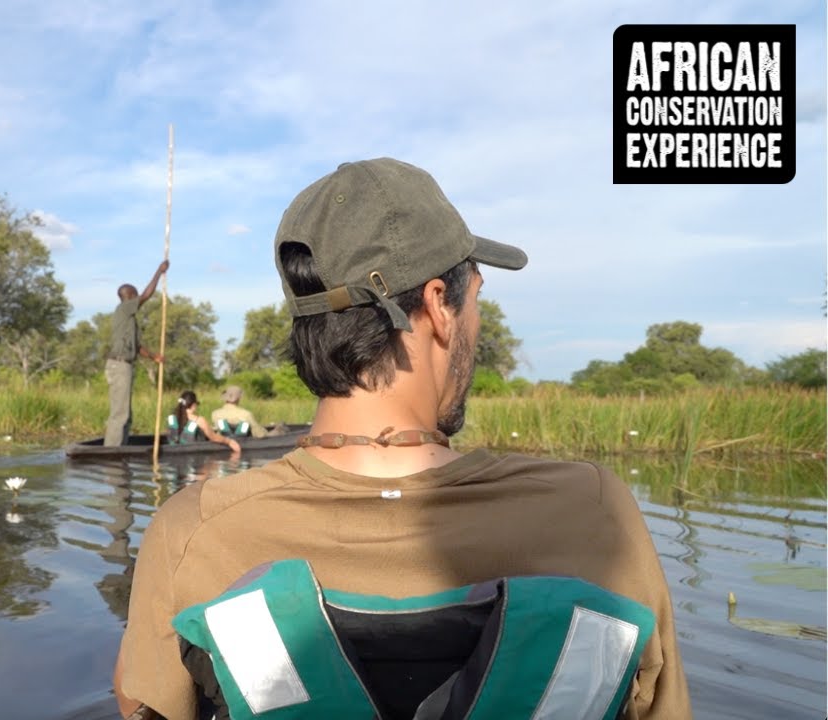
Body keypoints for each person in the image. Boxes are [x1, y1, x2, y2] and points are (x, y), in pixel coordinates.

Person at [113, 158, 691, 719]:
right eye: (478, 299)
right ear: (440, 305)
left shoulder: (193, 531)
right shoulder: (592, 511)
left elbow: (139, 706)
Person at [104, 260, 170, 446]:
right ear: (130, 296)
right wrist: (159, 271)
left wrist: (154, 357)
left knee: (126, 414)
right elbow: (147, 295)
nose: (138, 298)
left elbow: (137, 346)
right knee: (120, 414)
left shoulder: (128, 319)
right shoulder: (125, 308)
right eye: (135, 295)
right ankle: (111, 453)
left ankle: (121, 448)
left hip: (123, 366)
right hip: (119, 366)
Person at [167, 390, 241, 453]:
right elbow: (214, 437)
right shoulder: (199, 420)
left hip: (173, 452)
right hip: (194, 455)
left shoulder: (172, 417)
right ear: (193, 405)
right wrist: (229, 441)